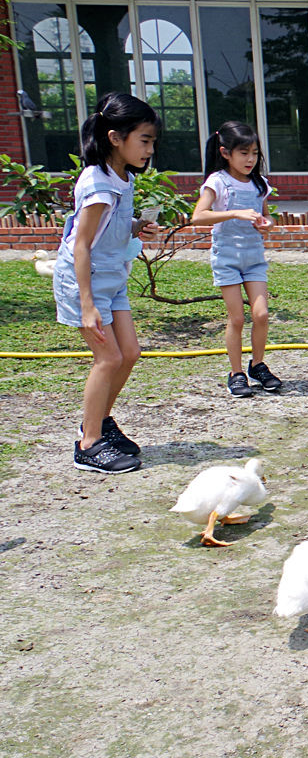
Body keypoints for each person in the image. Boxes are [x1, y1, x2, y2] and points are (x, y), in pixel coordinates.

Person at [53, 92, 160, 473]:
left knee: (129, 353)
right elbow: (81, 246)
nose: (149, 149)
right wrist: (86, 305)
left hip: (113, 277)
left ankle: (98, 422)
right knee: (109, 357)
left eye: (151, 141)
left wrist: (135, 226)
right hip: (87, 281)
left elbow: (105, 230)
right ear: (115, 137)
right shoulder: (97, 186)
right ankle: (88, 445)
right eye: (144, 140)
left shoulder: (121, 177)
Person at [192, 121, 280, 398]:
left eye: (254, 153)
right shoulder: (217, 181)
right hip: (226, 257)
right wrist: (234, 213)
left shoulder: (259, 184)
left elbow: (268, 216)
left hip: (254, 257)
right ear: (226, 153)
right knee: (238, 319)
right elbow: (198, 216)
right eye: (244, 153)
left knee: (262, 314)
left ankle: (258, 365)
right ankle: (236, 373)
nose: (250, 159)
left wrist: (267, 223)